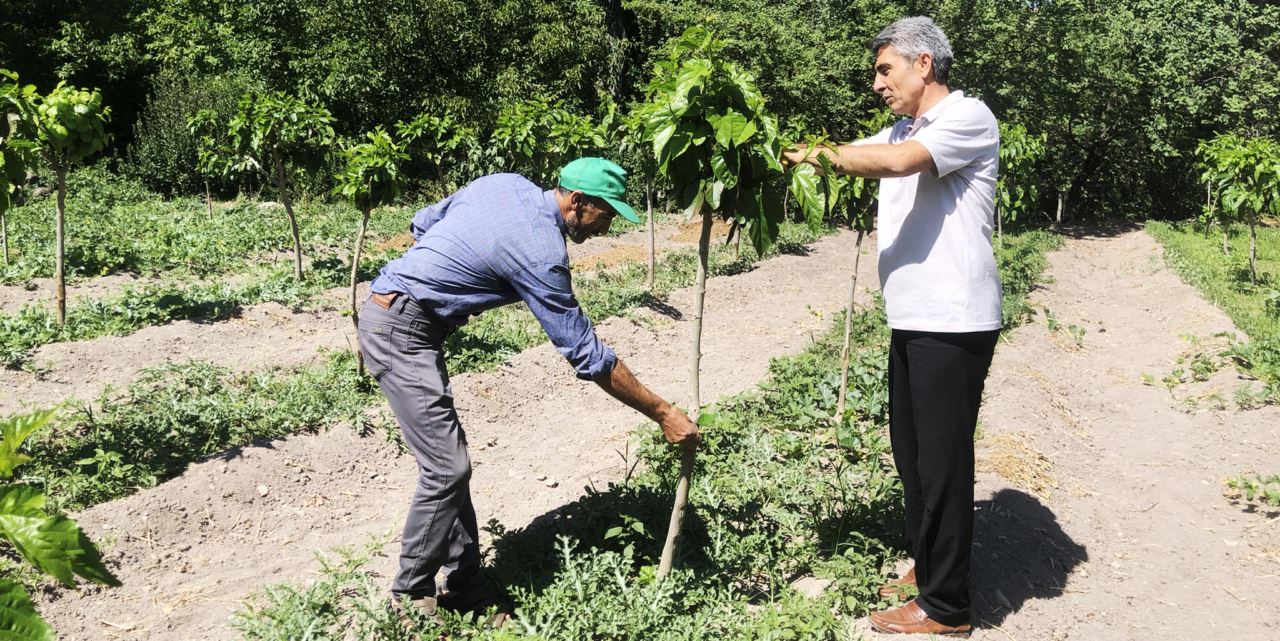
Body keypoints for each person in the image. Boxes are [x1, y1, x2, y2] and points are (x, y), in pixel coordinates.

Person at [358, 157, 701, 626]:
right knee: (447, 467)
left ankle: (465, 582)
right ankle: (409, 600)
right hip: (400, 330)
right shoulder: (542, 252)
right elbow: (585, 352)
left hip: (402, 314)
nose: (608, 227)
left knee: (448, 460)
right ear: (577, 202)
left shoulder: (505, 184)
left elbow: (423, 222)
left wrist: (442, 273)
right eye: (607, 213)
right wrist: (661, 411)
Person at [782, 16, 1000, 637]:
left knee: (942, 462)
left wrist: (815, 153)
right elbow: (870, 150)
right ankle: (927, 567)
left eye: (885, 69)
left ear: (923, 64)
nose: (876, 83)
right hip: (914, 318)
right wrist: (776, 151)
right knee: (912, 454)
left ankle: (947, 606)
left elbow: (898, 162)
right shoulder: (904, 125)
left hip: (952, 322)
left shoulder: (966, 116)